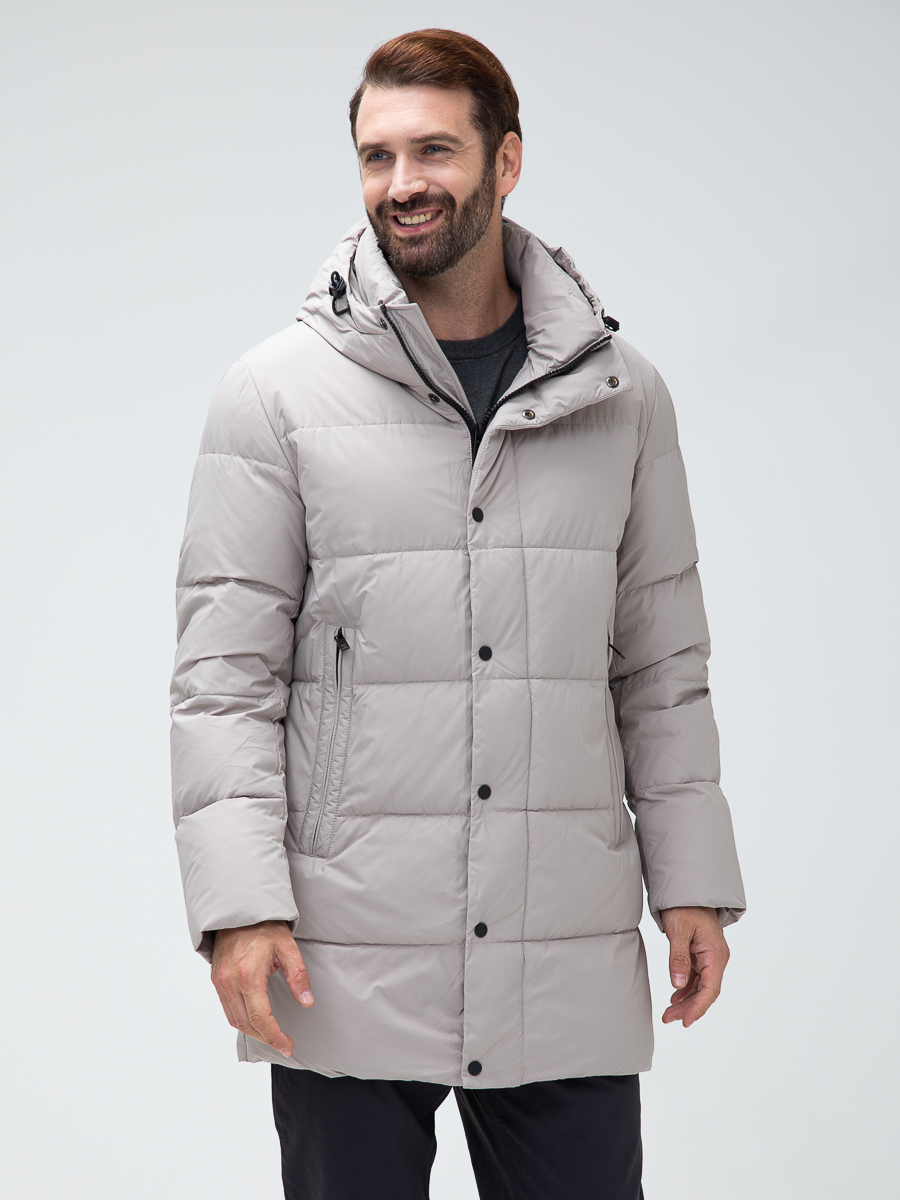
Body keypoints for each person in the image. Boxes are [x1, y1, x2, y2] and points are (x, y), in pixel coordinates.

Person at [170, 28, 746, 1200]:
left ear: (507, 160)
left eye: (434, 149)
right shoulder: (276, 394)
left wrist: (689, 880)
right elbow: (224, 678)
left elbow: (661, 664)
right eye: (377, 156)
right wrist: (239, 908)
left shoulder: (622, 397)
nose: (403, 183)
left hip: (561, 946)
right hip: (344, 949)